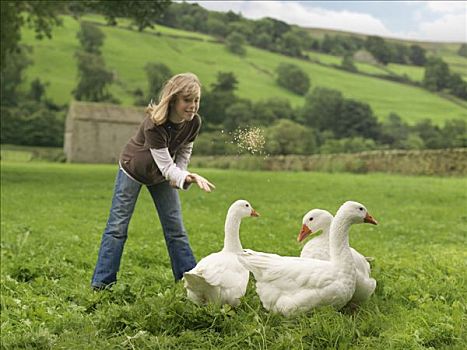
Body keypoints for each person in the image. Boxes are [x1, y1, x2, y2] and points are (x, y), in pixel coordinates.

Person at [91, 72, 215, 289]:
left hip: (160, 175)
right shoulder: (154, 124)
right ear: (173, 100)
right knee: (117, 227)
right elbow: (167, 166)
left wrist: (181, 175)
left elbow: (184, 152)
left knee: (175, 228)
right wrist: (186, 177)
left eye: (196, 100)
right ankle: (102, 283)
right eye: (187, 100)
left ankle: (190, 282)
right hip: (133, 169)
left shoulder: (193, 122)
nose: (193, 106)